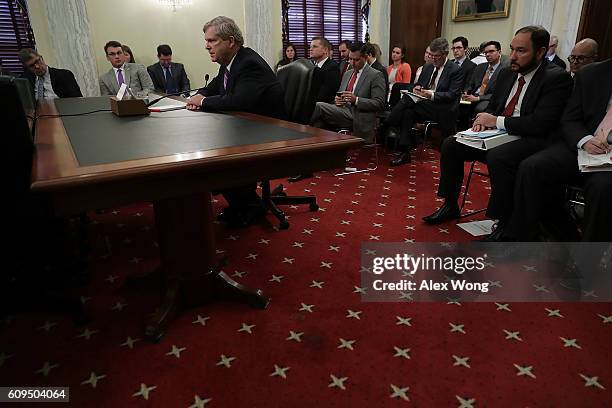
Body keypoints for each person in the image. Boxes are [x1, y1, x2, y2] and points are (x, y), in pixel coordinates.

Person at [422, 26, 573, 242]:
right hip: (499, 133)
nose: (512, 57)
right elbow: (493, 107)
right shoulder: (507, 73)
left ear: (540, 52)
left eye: (521, 51)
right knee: (451, 144)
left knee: (499, 157)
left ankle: (504, 222)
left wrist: (496, 121)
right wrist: (484, 121)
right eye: (512, 49)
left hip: (533, 139)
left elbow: (541, 124)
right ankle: (450, 204)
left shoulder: (556, 78)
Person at [186, 16, 285, 227]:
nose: (207, 46)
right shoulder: (230, 62)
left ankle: (250, 207)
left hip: (268, 132)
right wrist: (196, 97)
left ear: (230, 41)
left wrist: (202, 102)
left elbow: (238, 101)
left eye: (212, 41)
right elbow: (213, 88)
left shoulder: (248, 62)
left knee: (215, 156)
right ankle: (244, 202)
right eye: (207, 41)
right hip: (246, 126)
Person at [504, 58, 610, 241]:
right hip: (587, 144)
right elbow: (570, 119)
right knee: (533, 167)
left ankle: (589, 258)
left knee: (602, 187)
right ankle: (526, 237)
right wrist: (584, 140)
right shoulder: (592, 73)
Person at [387, 37, 463, 166]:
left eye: (436, 56)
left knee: (408, 103)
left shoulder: (455, 69)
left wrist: (431, 94)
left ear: (445, 54)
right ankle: (405, 152)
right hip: (423, 106)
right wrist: (416, 88)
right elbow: (416, 85)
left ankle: (390, 121)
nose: (433, 59)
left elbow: (452, 95)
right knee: (408, 112)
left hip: (443, 109)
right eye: (431, 55)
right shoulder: (428, 67)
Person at [309, 42, 385, 142]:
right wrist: (337, 100)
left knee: (318, 106)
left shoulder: (375, 75)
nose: (352, 63)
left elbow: (379, 103)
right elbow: (340, 94)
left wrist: (356, 100)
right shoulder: (348, 73)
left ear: (365, 58)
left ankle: (300, 133)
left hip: (358, 115)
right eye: (350, 59)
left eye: (356, 60)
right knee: (319, 122)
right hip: (343, 110)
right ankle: (316, 149)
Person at [461, 41, 508, 115]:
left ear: (499, 52)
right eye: (486, 53)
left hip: (487, 99)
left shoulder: (504, 71)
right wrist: (466, 92)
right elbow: (471, 84)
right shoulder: (480, 67)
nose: (488, 54)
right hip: (473, 96)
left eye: (491, 51)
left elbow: (499, 93)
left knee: (479, 108)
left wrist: (479, 98)